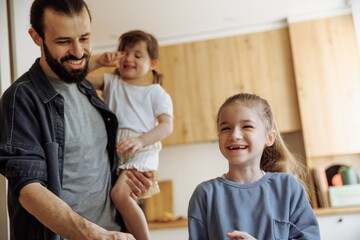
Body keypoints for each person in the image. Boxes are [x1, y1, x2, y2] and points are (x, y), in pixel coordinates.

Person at [0, 1, 152, 239]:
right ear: (36, 37)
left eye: (85, 38)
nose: (79, 51)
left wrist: (126, 179)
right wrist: (96, 235)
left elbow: (94, 167)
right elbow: (28, 189)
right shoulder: (22, 97)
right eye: (64, 41)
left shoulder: (87, 88)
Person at [187, 93, 320, 240]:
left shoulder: (288, 187)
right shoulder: (204, 194)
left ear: (269, 138)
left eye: (247, 126)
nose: (234, 135)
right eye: (226, 128)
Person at [87, 30, 173, 240]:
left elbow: (166, 126)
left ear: (152, 63)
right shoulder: (111, 82)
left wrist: (140, 140)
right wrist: (98, 62)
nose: (129, 58)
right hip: (116, 152)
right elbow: (78, 80)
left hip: (141, 151)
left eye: (137, 54)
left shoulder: (155, 92)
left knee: (120, 195)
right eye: (123, 52)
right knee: (115, 200)